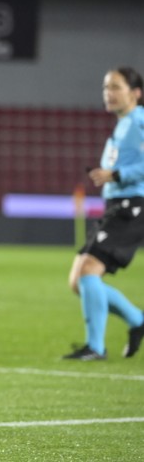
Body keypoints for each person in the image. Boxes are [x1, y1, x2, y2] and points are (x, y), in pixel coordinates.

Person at [64, 67, 144, 361]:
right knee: (78, 282)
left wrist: (118, 174)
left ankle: (95, 347)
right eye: (105, 87)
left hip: (133, 205)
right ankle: (137, 320)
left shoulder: (139, 120)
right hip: (117, 206)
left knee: (87, 271)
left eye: (115, 87)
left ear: (136, 93)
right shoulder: (123, 125)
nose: (108, 93)